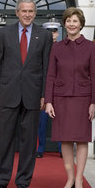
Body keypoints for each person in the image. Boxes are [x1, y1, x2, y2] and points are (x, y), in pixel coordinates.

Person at [0, 0, 53, 188]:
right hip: (7, 94)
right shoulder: (3, 33)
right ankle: (0, 179)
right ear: (17, 13)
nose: (27, 14)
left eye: (31, 11)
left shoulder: (44, 36)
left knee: (28, 143)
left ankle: (23, 181)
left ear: (35, 13)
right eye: (23, 11)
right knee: (3, 140)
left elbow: (46, 68)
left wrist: (44, 95)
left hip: (33, 96)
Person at [44, 7, 95, 188]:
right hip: (60, 99)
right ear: (64, 23)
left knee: (81, 139)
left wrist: (94, 102)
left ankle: (79, 180)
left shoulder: (91, 47)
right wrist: (49, 101)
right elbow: (50, 75)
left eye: (75, 21)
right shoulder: (57, 47)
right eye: (68, 21)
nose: (71, 24)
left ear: (81, 24)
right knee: (65, 140)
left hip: (84, 100)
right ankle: (69, 178)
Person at [37, 19, 62, 158]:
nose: (52, 34)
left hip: (58, 89)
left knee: (59, 121)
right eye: (49, 31)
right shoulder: (40, 47)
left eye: (54, 31)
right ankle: (40, 149)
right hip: (43, 89)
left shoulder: (63, 47)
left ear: (58, 33)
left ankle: (61, 148)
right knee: (41, 122)